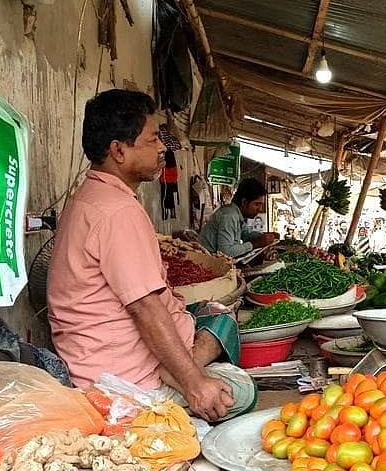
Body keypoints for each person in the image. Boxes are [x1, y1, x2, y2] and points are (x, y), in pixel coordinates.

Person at [47, 89, 256, 422]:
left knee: (213, 314)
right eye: (153, 139)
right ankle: (175, 377)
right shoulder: (117, 212)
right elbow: (144, 307)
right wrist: (195, 384)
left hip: (97, 361)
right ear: (118, 150)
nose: (162, 148)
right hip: (123, 384)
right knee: (242, 391)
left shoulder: (89, 197)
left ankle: (179, 368)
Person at [198, 178, 278, 257]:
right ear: (244, 202)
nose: (260, 209)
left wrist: (264, 236)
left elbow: (246, 234)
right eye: (257, 204)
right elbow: (226, 252)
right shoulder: (229, 216)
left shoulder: (237, 215)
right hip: (207, 263)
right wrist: (255, 244)